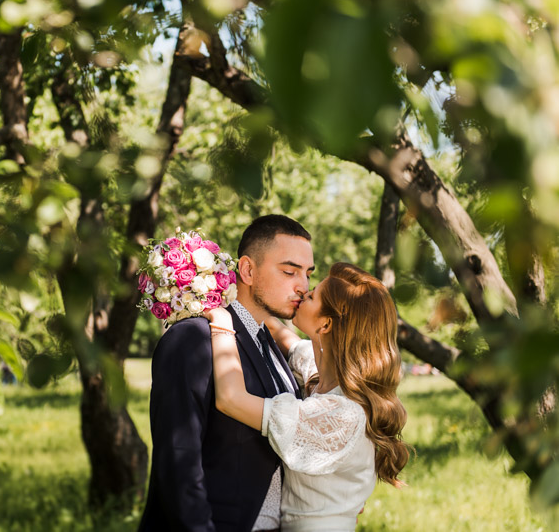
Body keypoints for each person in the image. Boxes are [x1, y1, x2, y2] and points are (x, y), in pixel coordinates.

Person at [139, 214, 315, 531]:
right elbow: (179, 460)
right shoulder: (193, 338)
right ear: (247, 270)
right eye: (289, 271)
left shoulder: (271, 345)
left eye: (307, 273)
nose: (302, 286)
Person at [206, 262, 410, 532]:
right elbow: (286, 338)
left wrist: (221, 322)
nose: (303, 293)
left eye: (312, 295)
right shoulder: (323, 375)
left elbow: (231, 399)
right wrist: (240, 290)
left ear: (325, 324)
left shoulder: (342, 414)